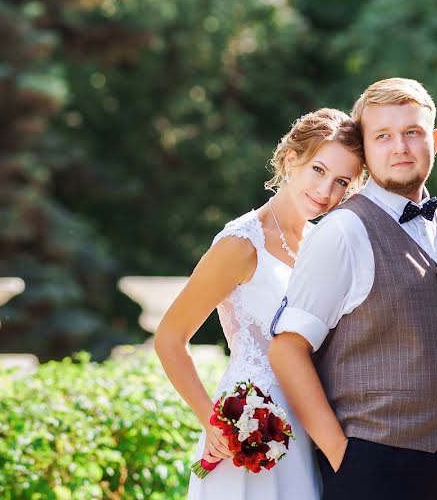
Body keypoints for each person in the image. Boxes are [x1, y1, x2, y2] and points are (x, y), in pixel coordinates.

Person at [269, 78, 437, 500]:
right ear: (365, 150)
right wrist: (342, 457)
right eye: (382, 136)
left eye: (412, 132)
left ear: (434, 140)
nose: (400, 147)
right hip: (373, 465)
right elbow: (286, 350)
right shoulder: (343, 231)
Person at [155, 108, 364, 499]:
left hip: (312, 427)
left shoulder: (326, 243)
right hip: (249, 430)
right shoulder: (241, 244)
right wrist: (211, 421)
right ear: (291, 160)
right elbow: (169, 338)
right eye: (318, 170)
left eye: (341, 181)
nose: (326, 192)